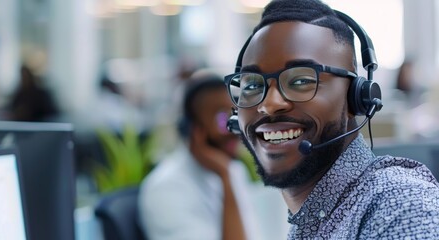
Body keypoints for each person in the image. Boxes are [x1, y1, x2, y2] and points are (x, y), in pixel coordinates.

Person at [223, 0, 439, 239]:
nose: (270, 104)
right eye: (252, 84)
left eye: (301, 81)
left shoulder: (401, 207)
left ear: (356, 97)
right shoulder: (309, 220)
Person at [138, 70, 288, 240]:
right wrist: (225, 178)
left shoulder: (234, 169)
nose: (234, 128)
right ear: (194, 129)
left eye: (236, 115)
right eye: (222, 119)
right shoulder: (167, 189)